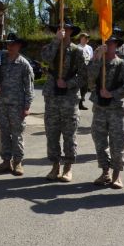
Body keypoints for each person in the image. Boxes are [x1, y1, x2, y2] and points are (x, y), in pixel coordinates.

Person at [41, 20, 88, 182]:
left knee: (69, 134)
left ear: (71, 31)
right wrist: (56, 41)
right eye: (60, 28)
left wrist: (68, 83)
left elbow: (84, 77)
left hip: (69, 98)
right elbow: (46, 58)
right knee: (52, 133)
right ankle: (55, 166)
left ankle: (68, 167)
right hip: (52, 96)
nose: (63, 31)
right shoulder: (50, 47)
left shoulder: (77, 52)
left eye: (66, 29)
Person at [88, 35, 124, 189]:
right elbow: (89, 79)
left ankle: (117, 175)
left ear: (116, 45)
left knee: (118, 142)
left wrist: (112, 93)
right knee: (100, 141)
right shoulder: (97, 63)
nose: (108, 46)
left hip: (116, 109)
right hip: (100, 109)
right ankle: (105, 172)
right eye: (105, 43)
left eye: (111, 43)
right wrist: (96, 58)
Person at [0, 33, 34, 176]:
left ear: (19, 45)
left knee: (17, 134)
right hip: (1, 104)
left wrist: (27, 106)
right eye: (8, 44)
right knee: (3, 133)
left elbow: (29, 87)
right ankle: (6, 161)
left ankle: (18, 162)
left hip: (17, 105)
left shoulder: (24, 64)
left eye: (13, 44)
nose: (10, 46)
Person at [77, 32, 93, 110]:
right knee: (79, 87)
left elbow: (91, 58)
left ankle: (81, 102)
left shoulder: (89, 48)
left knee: (85, 88)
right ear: (81, 38)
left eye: (87, 38)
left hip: (87, 70)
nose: (86, 39)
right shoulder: (77, 47)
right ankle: (78, 103)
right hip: (79, 71)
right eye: (84, 38)